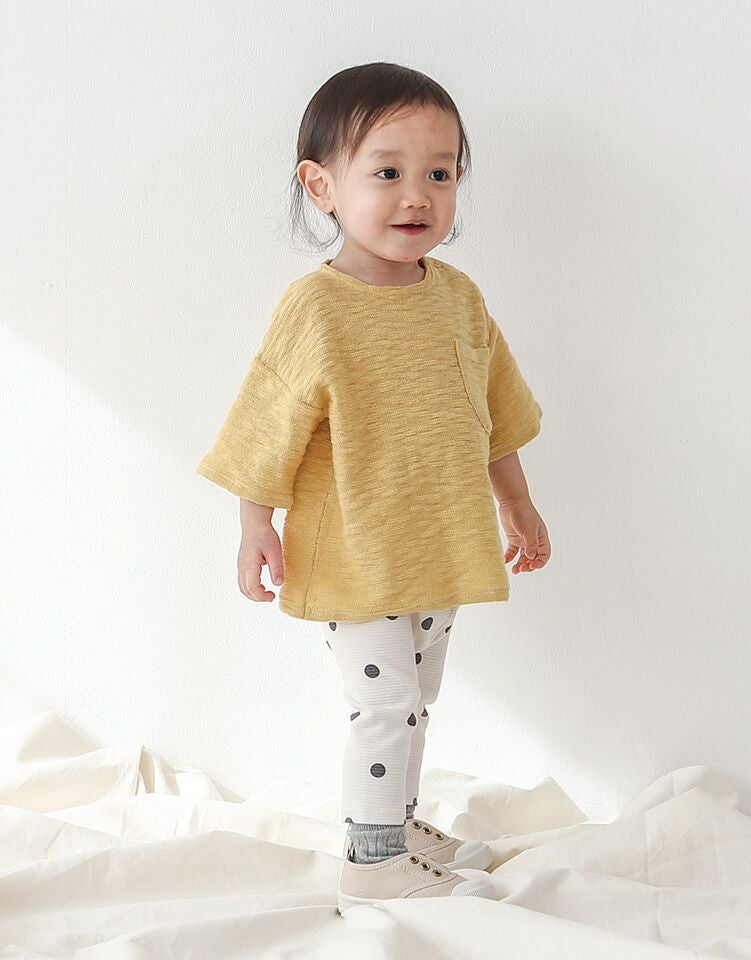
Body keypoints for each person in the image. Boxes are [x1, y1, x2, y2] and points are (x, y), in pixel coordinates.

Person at [195, 62, 551, 913]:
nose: (416, 195)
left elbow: (495, 413)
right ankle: (372, 860)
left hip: (438, 541)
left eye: (441, 173)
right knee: (384, 703)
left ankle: (398, 822)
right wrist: (255, 524)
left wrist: (518, 502)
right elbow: (266, 423)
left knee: (416, 699)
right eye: (387, 171)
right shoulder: (317, 308)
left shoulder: (458, 299)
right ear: (322, 186)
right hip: (356, 547)